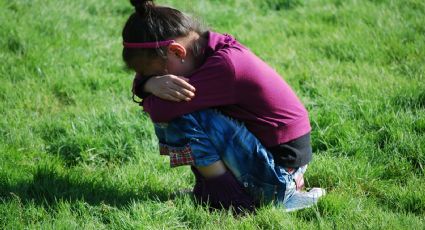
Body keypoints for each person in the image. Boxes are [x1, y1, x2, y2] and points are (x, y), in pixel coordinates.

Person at [122, 0, 325, 213]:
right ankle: (215, 190)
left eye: (157, 73)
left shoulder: (225, 67)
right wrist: (149, 83)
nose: (158, 80)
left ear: (177, 52)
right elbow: (149, 94)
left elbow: (160, 110)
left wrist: (146, 87)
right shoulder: (205, 48)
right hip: (277, 163)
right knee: (182, 106)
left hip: (278, 175)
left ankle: (233, 199)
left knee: (178, 114)